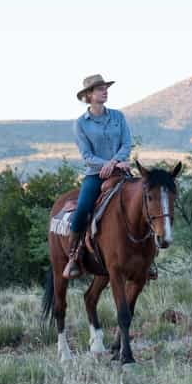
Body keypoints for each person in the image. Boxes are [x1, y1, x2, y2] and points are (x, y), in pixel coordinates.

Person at [64, 74, 133, 279]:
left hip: (121, 171)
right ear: (89, 95)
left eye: (105, 88)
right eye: (99, 89)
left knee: (144, 201)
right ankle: (73, 256)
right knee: (83, 209)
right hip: (96, 175)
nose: (105, 91)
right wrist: (107, 164)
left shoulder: (118, 116)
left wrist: (114, 163)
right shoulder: (81, 124)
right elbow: (87, 156)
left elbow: (126, 144)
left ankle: (149, 257)